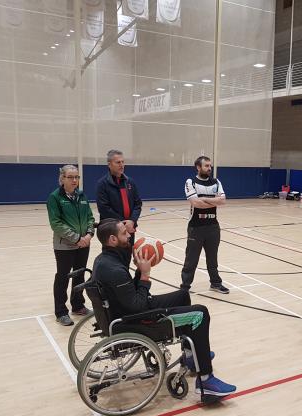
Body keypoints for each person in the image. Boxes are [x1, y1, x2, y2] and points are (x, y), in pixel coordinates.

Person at [92, 218, 236, 397]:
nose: (129, 235)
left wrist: (138, 271)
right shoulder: (114, 270)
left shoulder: (104, 260)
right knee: (200, 313)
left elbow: (128, 295)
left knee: (183, 295)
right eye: (124, 233)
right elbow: (137, 305)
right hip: (137, 320)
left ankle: (191, 356)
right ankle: (205, 380)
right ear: (113, 240)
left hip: (126, 312)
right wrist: (145, 275)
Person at [47, 165, 95, 326]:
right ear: (62, 179)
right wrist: (76, 239)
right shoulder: (55, 197)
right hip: (64, 246)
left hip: (84, 244)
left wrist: (88, 235)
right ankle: (61, 312)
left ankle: (78, 305)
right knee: (63, 277)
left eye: (77, 177)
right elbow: (56, 224)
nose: (75, 180)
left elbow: (89, 217)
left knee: (79, 275)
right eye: (71, 177)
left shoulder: (81, 196)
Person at [180, 156, 229, 294]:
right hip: (196, 227)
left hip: (213, 227)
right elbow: (195, 203)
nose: (209, 168)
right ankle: (185, 287)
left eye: (210, 166)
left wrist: (204, 199)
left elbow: (223, 201)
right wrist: (214, 200)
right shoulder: (191, 182)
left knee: (212, 258)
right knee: (191, 259)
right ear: (198, 167)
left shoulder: (216, 182)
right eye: (206, 166)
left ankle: (215, 283)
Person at [96, 149, 142, 267]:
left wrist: (132, 221)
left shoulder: (130, 182)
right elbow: (104, 208)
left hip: (129, 229)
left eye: (123, 162)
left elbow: (137, 204)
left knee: (126, 261)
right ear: (109, 164)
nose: (121, 165)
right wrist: (123, 224)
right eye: (118, 162)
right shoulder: (102, 184)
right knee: (112, 263)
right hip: (113, 231)